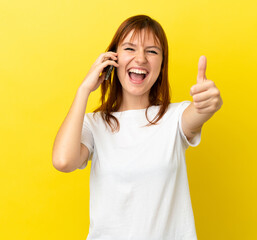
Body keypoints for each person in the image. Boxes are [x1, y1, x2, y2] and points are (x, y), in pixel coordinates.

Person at [52, 14, 223, 240]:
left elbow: (198, 113)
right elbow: (63, 161)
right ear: (112, 59)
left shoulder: (175, 118)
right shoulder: (94, 125)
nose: (141, 58)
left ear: (162, 65)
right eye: (130, 49)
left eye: (152, 51)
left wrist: (208, 104)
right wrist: (84, 89)